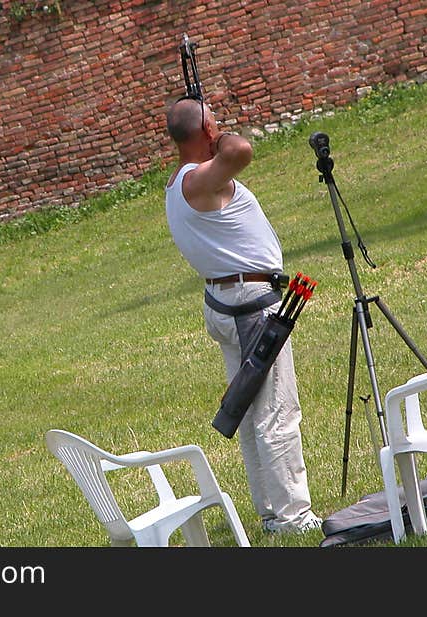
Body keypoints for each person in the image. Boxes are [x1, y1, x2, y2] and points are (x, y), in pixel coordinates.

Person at [164, 97, 321, 535]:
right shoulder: (198, 180)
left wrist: (209, 131)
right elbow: (241, 151)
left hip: (233, 302)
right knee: (275, 411)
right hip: (249, 304)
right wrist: (219, 138)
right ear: (202, 133)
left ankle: (272, 511)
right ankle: (293, 517)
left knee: (253, 410)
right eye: (214, 122)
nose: (221, 128)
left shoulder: (181, 180)